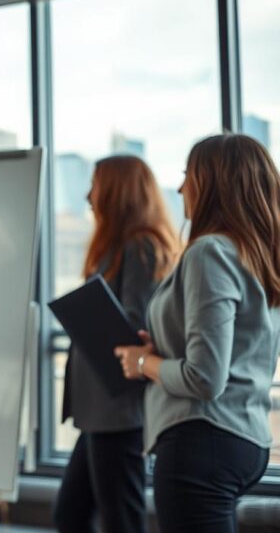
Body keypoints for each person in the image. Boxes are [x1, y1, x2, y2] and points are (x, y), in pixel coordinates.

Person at [116, 134, 280, 533]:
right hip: (245, 438)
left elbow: (205, 378)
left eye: (187, 175)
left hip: (203, 440)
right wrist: (161, 348)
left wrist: (144, 362)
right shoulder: (257, 255)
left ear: (212, 184)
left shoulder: (210, 252)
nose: (179, 188)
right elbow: (240, 348)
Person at [53, 155, 180, 533]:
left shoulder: (141, 247)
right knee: (71, 514)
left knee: (119, 521)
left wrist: (90, 316)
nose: (88, 196)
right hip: (101, 410)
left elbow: (136, 326)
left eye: (96, 185)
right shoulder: (119, 246)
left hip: (119, 411)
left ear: (117, 192)